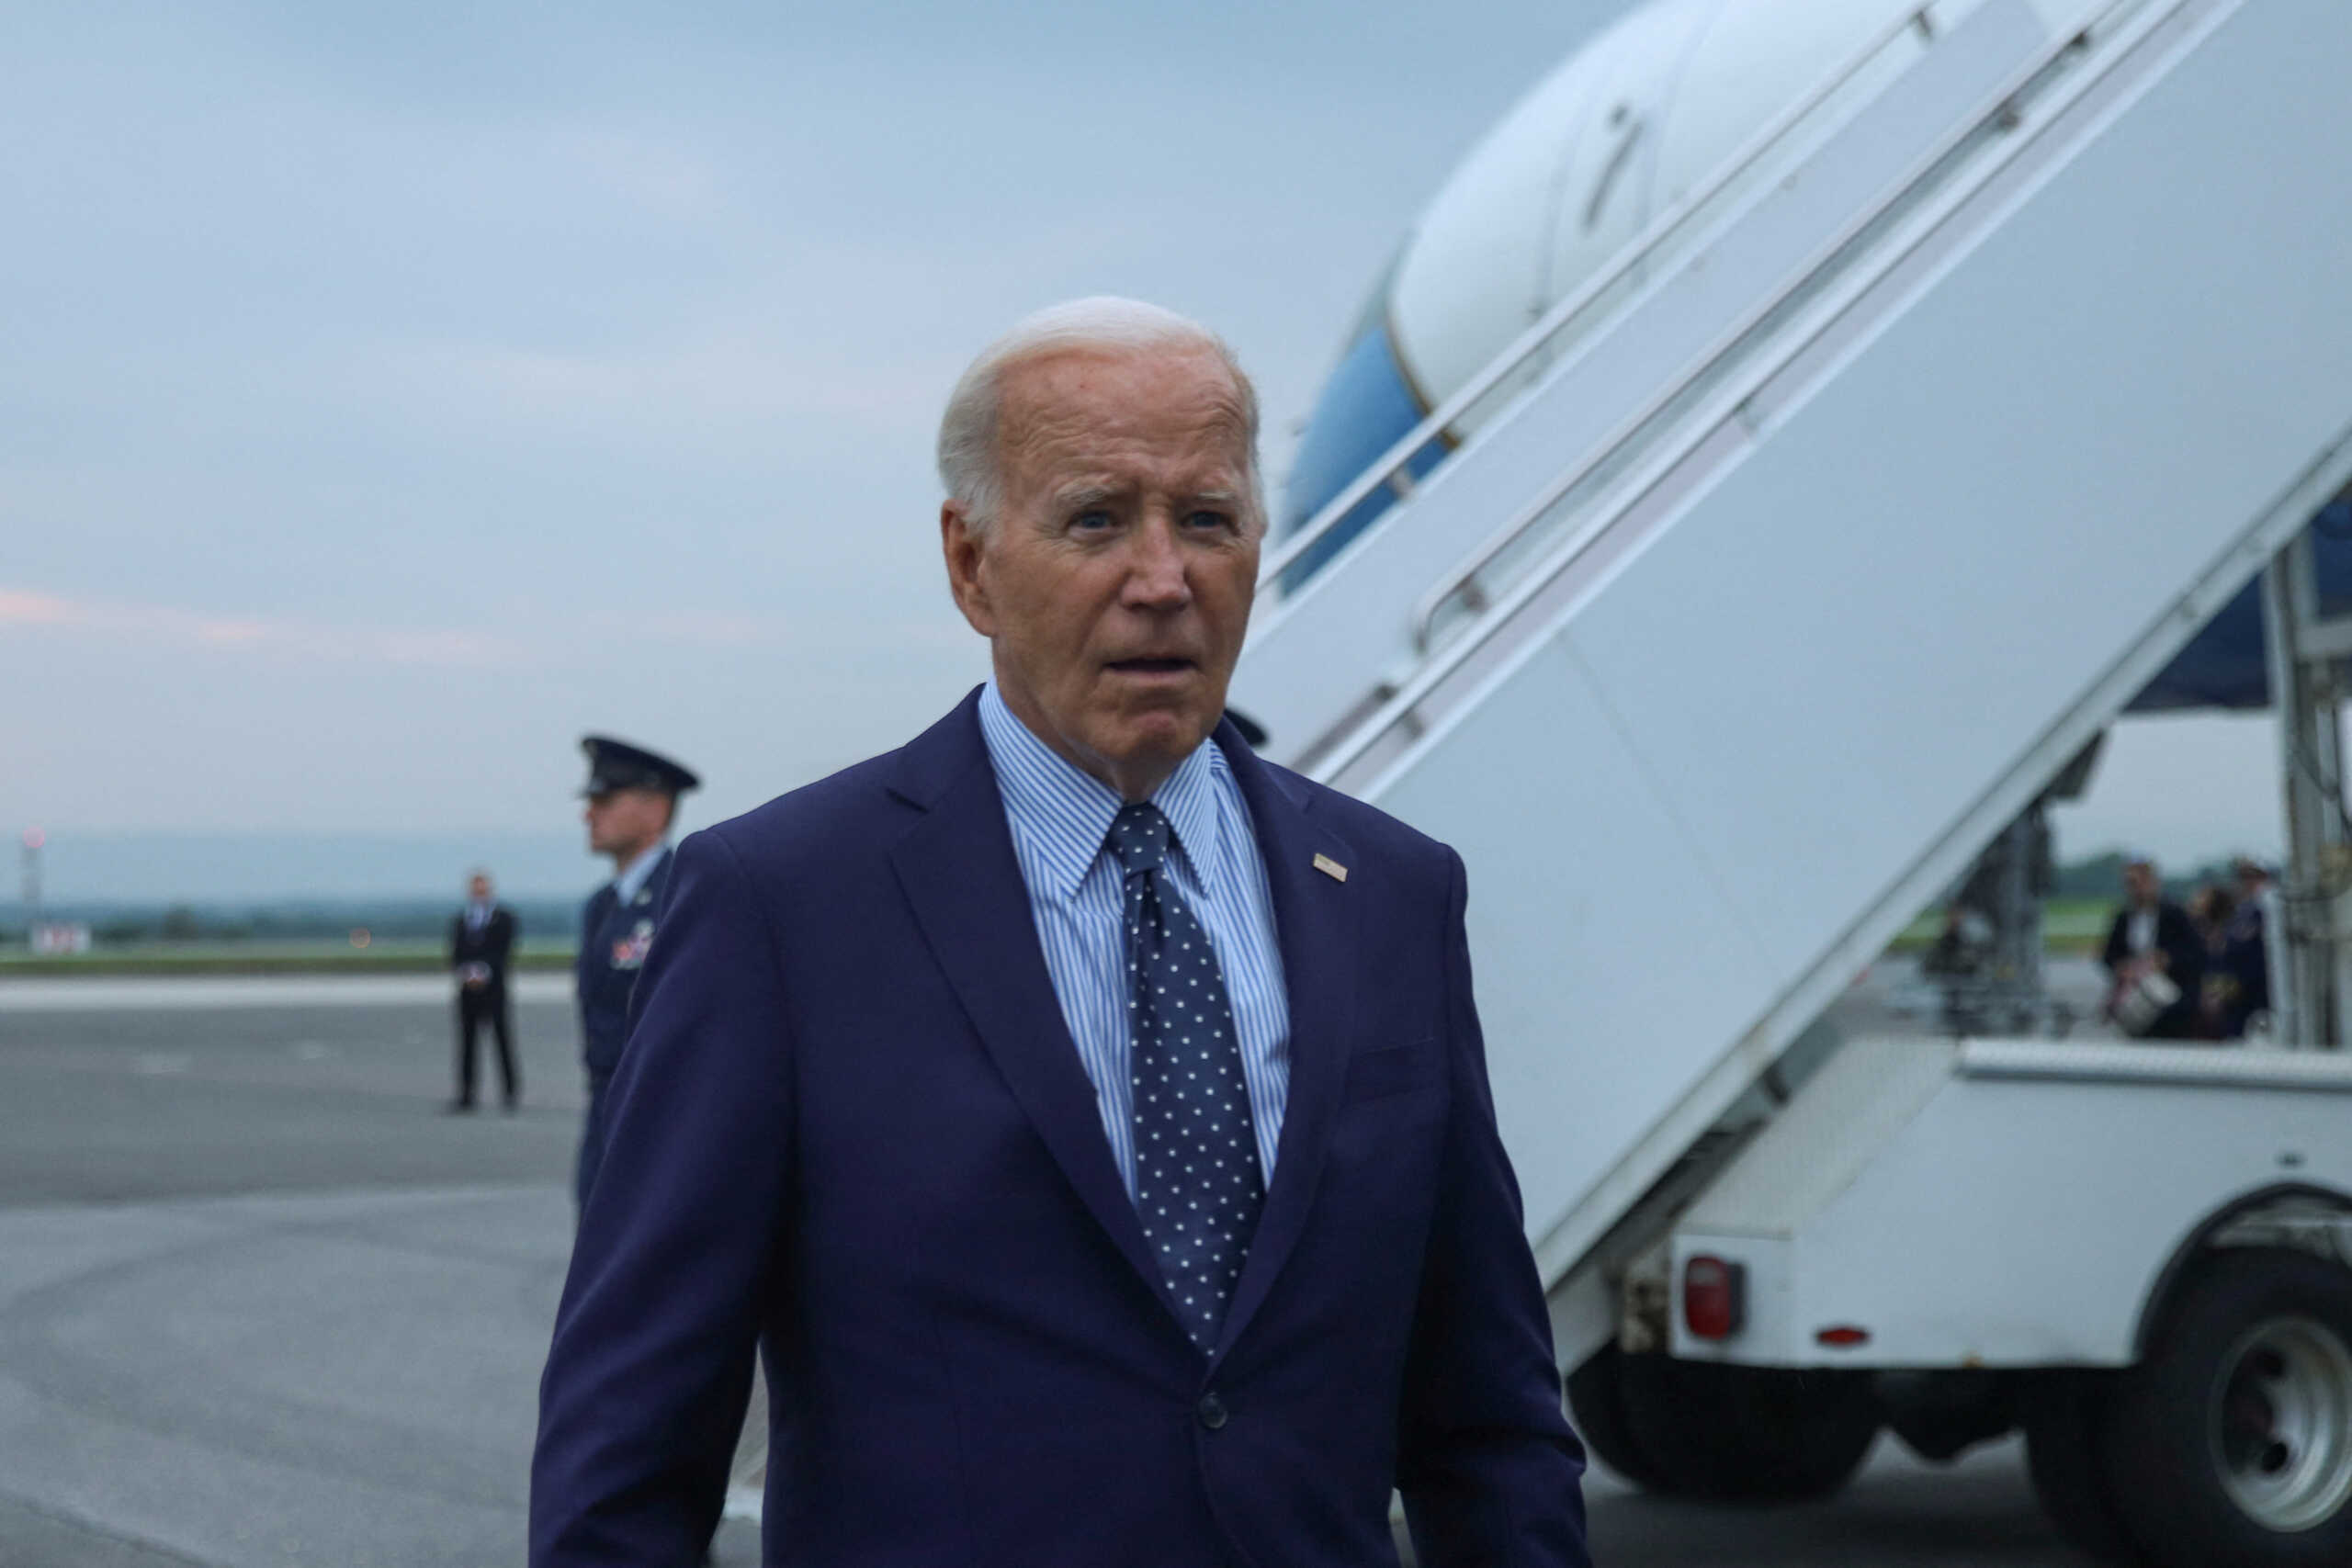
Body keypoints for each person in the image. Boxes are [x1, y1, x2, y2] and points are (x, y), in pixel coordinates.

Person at [531, 299, 1591, 1566]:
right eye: (1096, 519)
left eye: (1207, 519)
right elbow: (629, 1451)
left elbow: (1488, 1418)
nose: (1163, 579)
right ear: (969, 562)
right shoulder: (783, 906)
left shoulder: (1393, 894)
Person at [572, 735, 699, 1210]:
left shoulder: (683, 897)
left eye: (604, 800)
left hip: (661, 1124)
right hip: (606, 1113)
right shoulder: (601, 908)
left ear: (655, 810)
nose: (589, 814)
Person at [2101, 855, 2204, 1040]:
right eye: (2130, 883)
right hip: (2136, 999)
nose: (2136, 889)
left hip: (2171, 998)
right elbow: (2108, 955)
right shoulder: (2123, 917)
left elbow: (2196, 952)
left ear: (2153, 882)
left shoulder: (2174, 914)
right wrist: (2122, 967)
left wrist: (2166, 959)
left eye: (2139, 882)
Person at [447, 870, 520, 1111]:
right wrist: (466, 973)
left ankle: (510, 1093)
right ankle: (467, 1094)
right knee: (467, 1044)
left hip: (495, 990)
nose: (479, 892)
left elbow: (505, 951)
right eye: (475, 888)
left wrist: (483, 971)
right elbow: (455, 952)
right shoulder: (461, 920)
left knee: (502, 1041)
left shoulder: (504, 918)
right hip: (467, 991)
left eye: (483, 888)